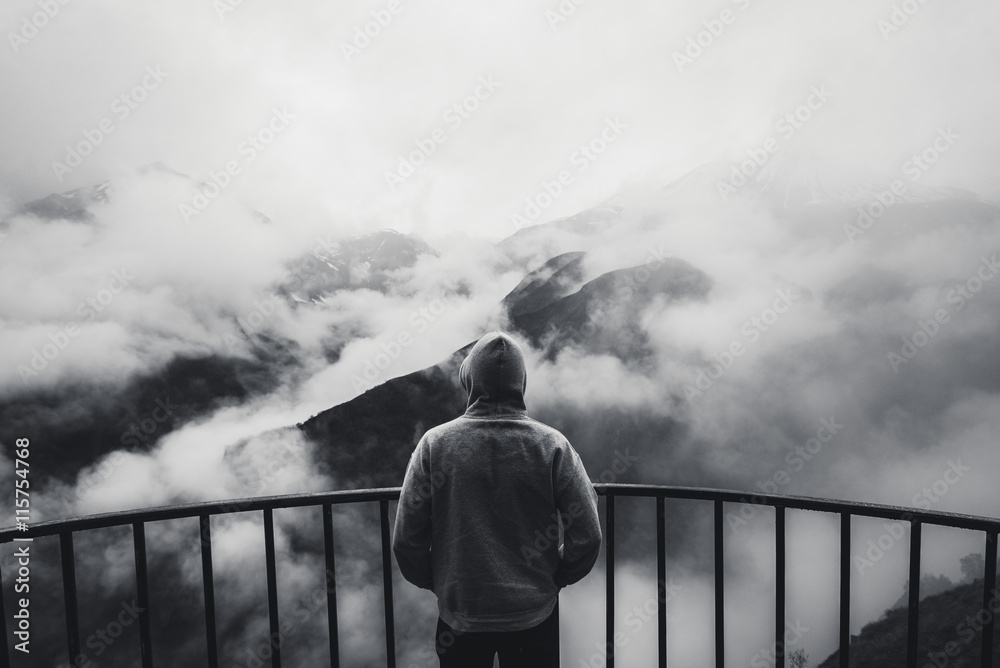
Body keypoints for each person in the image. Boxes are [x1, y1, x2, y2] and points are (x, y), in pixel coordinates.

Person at [392, 331, 602, 667]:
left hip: (462, 614)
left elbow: (406, 540)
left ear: (471, 381)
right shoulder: (553, 446)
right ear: (522, 382)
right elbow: (588, 535)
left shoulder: (435, 445)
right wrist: (556, 576)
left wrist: (437, 580)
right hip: (532, 616)